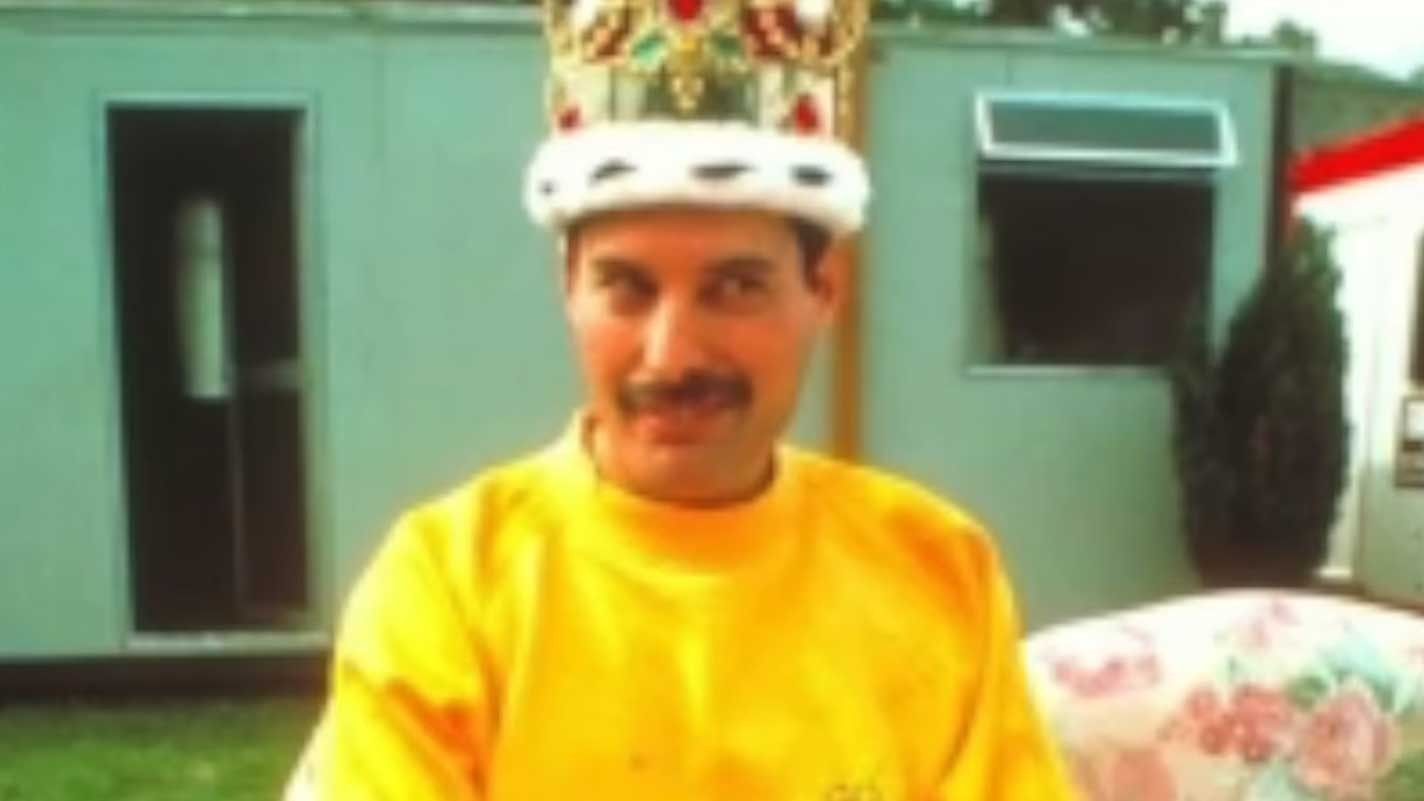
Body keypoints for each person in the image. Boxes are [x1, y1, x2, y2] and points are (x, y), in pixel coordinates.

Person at [291, 0, 1079, 797]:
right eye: (626, 288)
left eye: (734, 288)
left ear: (824, 289)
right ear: (568, 289)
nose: (671, 356)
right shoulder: (447, 584)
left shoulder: (936, 567)